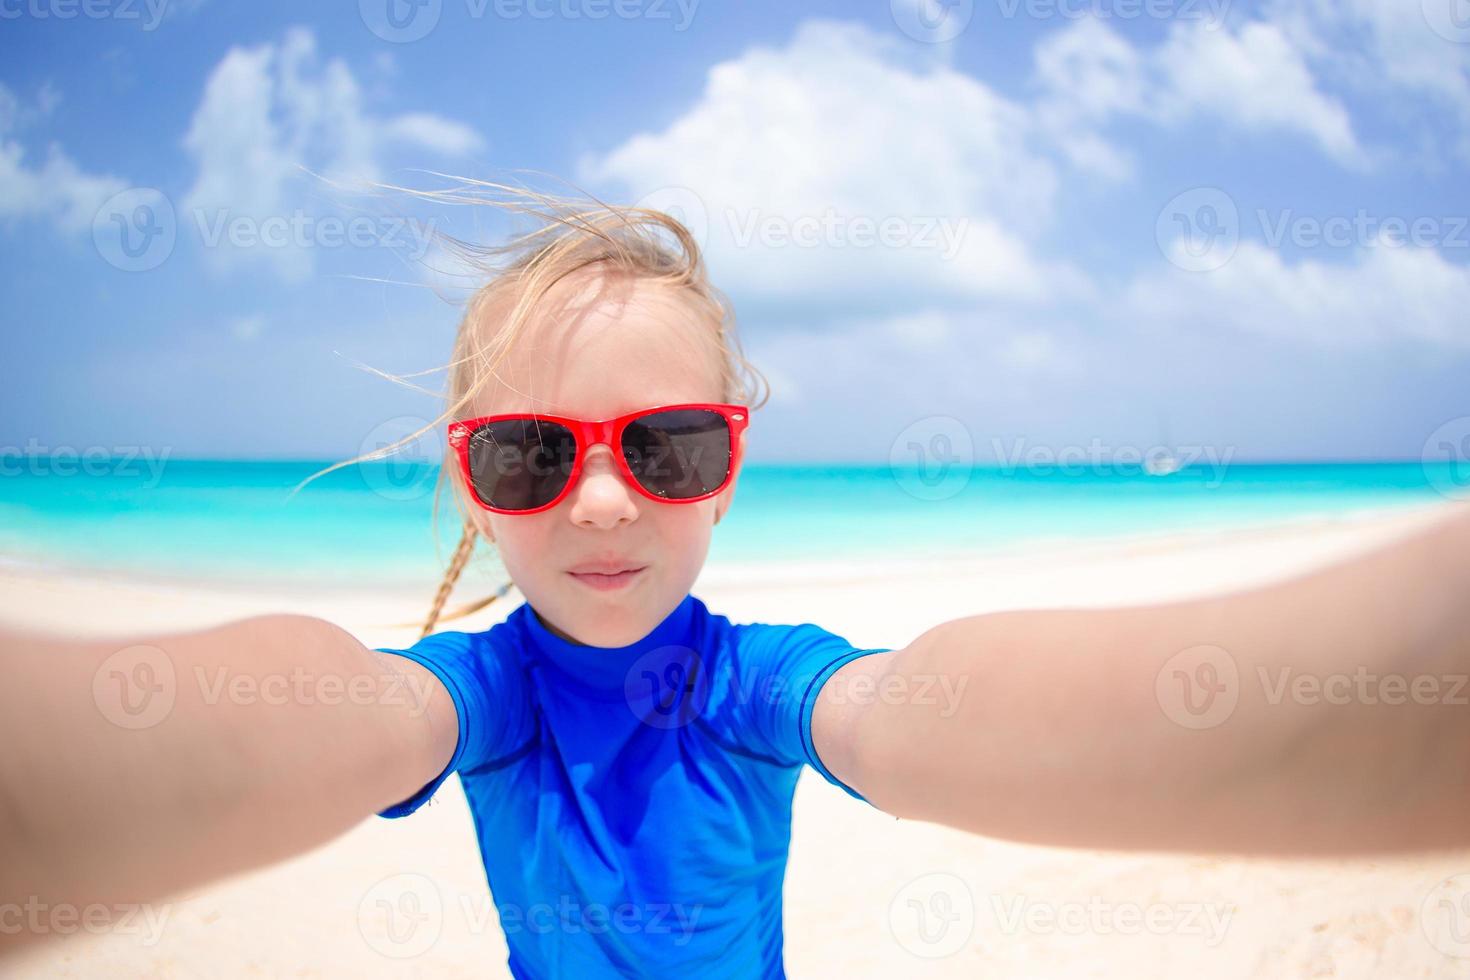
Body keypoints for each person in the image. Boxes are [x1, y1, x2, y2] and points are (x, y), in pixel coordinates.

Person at [3, 182, 1469, 977]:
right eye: (528, 453)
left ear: (731, 465)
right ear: (466, 477)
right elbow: (316, 713)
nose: (595, 497)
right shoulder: (480, 693)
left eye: (667, 443)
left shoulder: (753, 682)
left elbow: (924, 711)